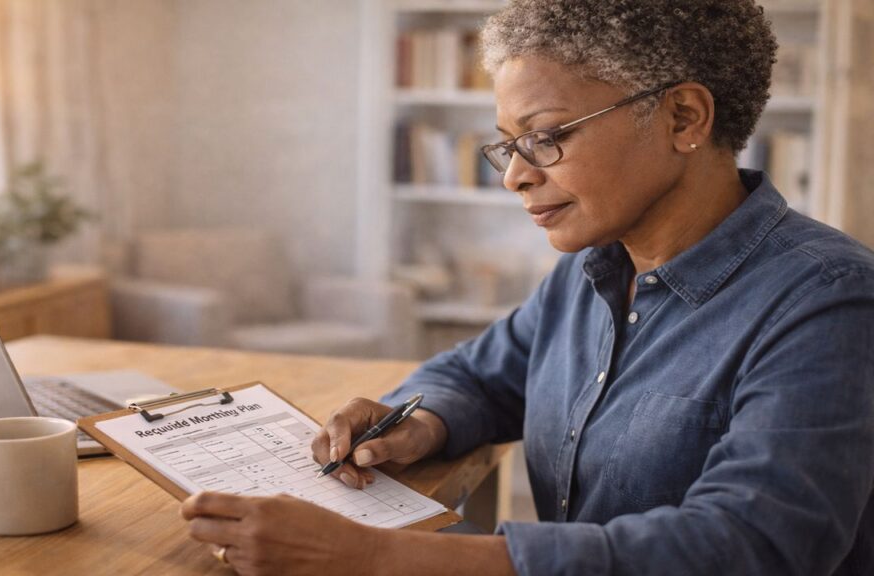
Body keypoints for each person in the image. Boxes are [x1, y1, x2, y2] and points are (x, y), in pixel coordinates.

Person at [179, 1, 874, 574]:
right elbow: (480, 376)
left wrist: (376, 557)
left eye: (546, 138)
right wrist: (421, 422)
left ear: (683, 119)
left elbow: (752, 546)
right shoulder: (593, 269)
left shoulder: (830, 301)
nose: (514, 175)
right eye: (507, 145)